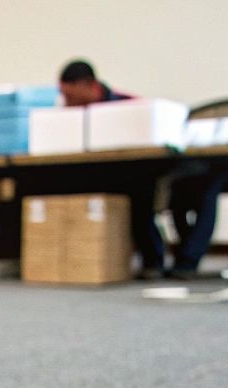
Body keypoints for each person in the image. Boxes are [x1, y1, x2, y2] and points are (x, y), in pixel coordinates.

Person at [57, 59, 171, 276]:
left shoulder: (129, 104)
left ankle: (152, 261)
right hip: (86, 169)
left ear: (90, 85)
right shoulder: (65, 112)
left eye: (70, 96)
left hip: (128, 169)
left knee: (140, 192)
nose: (66, 101)